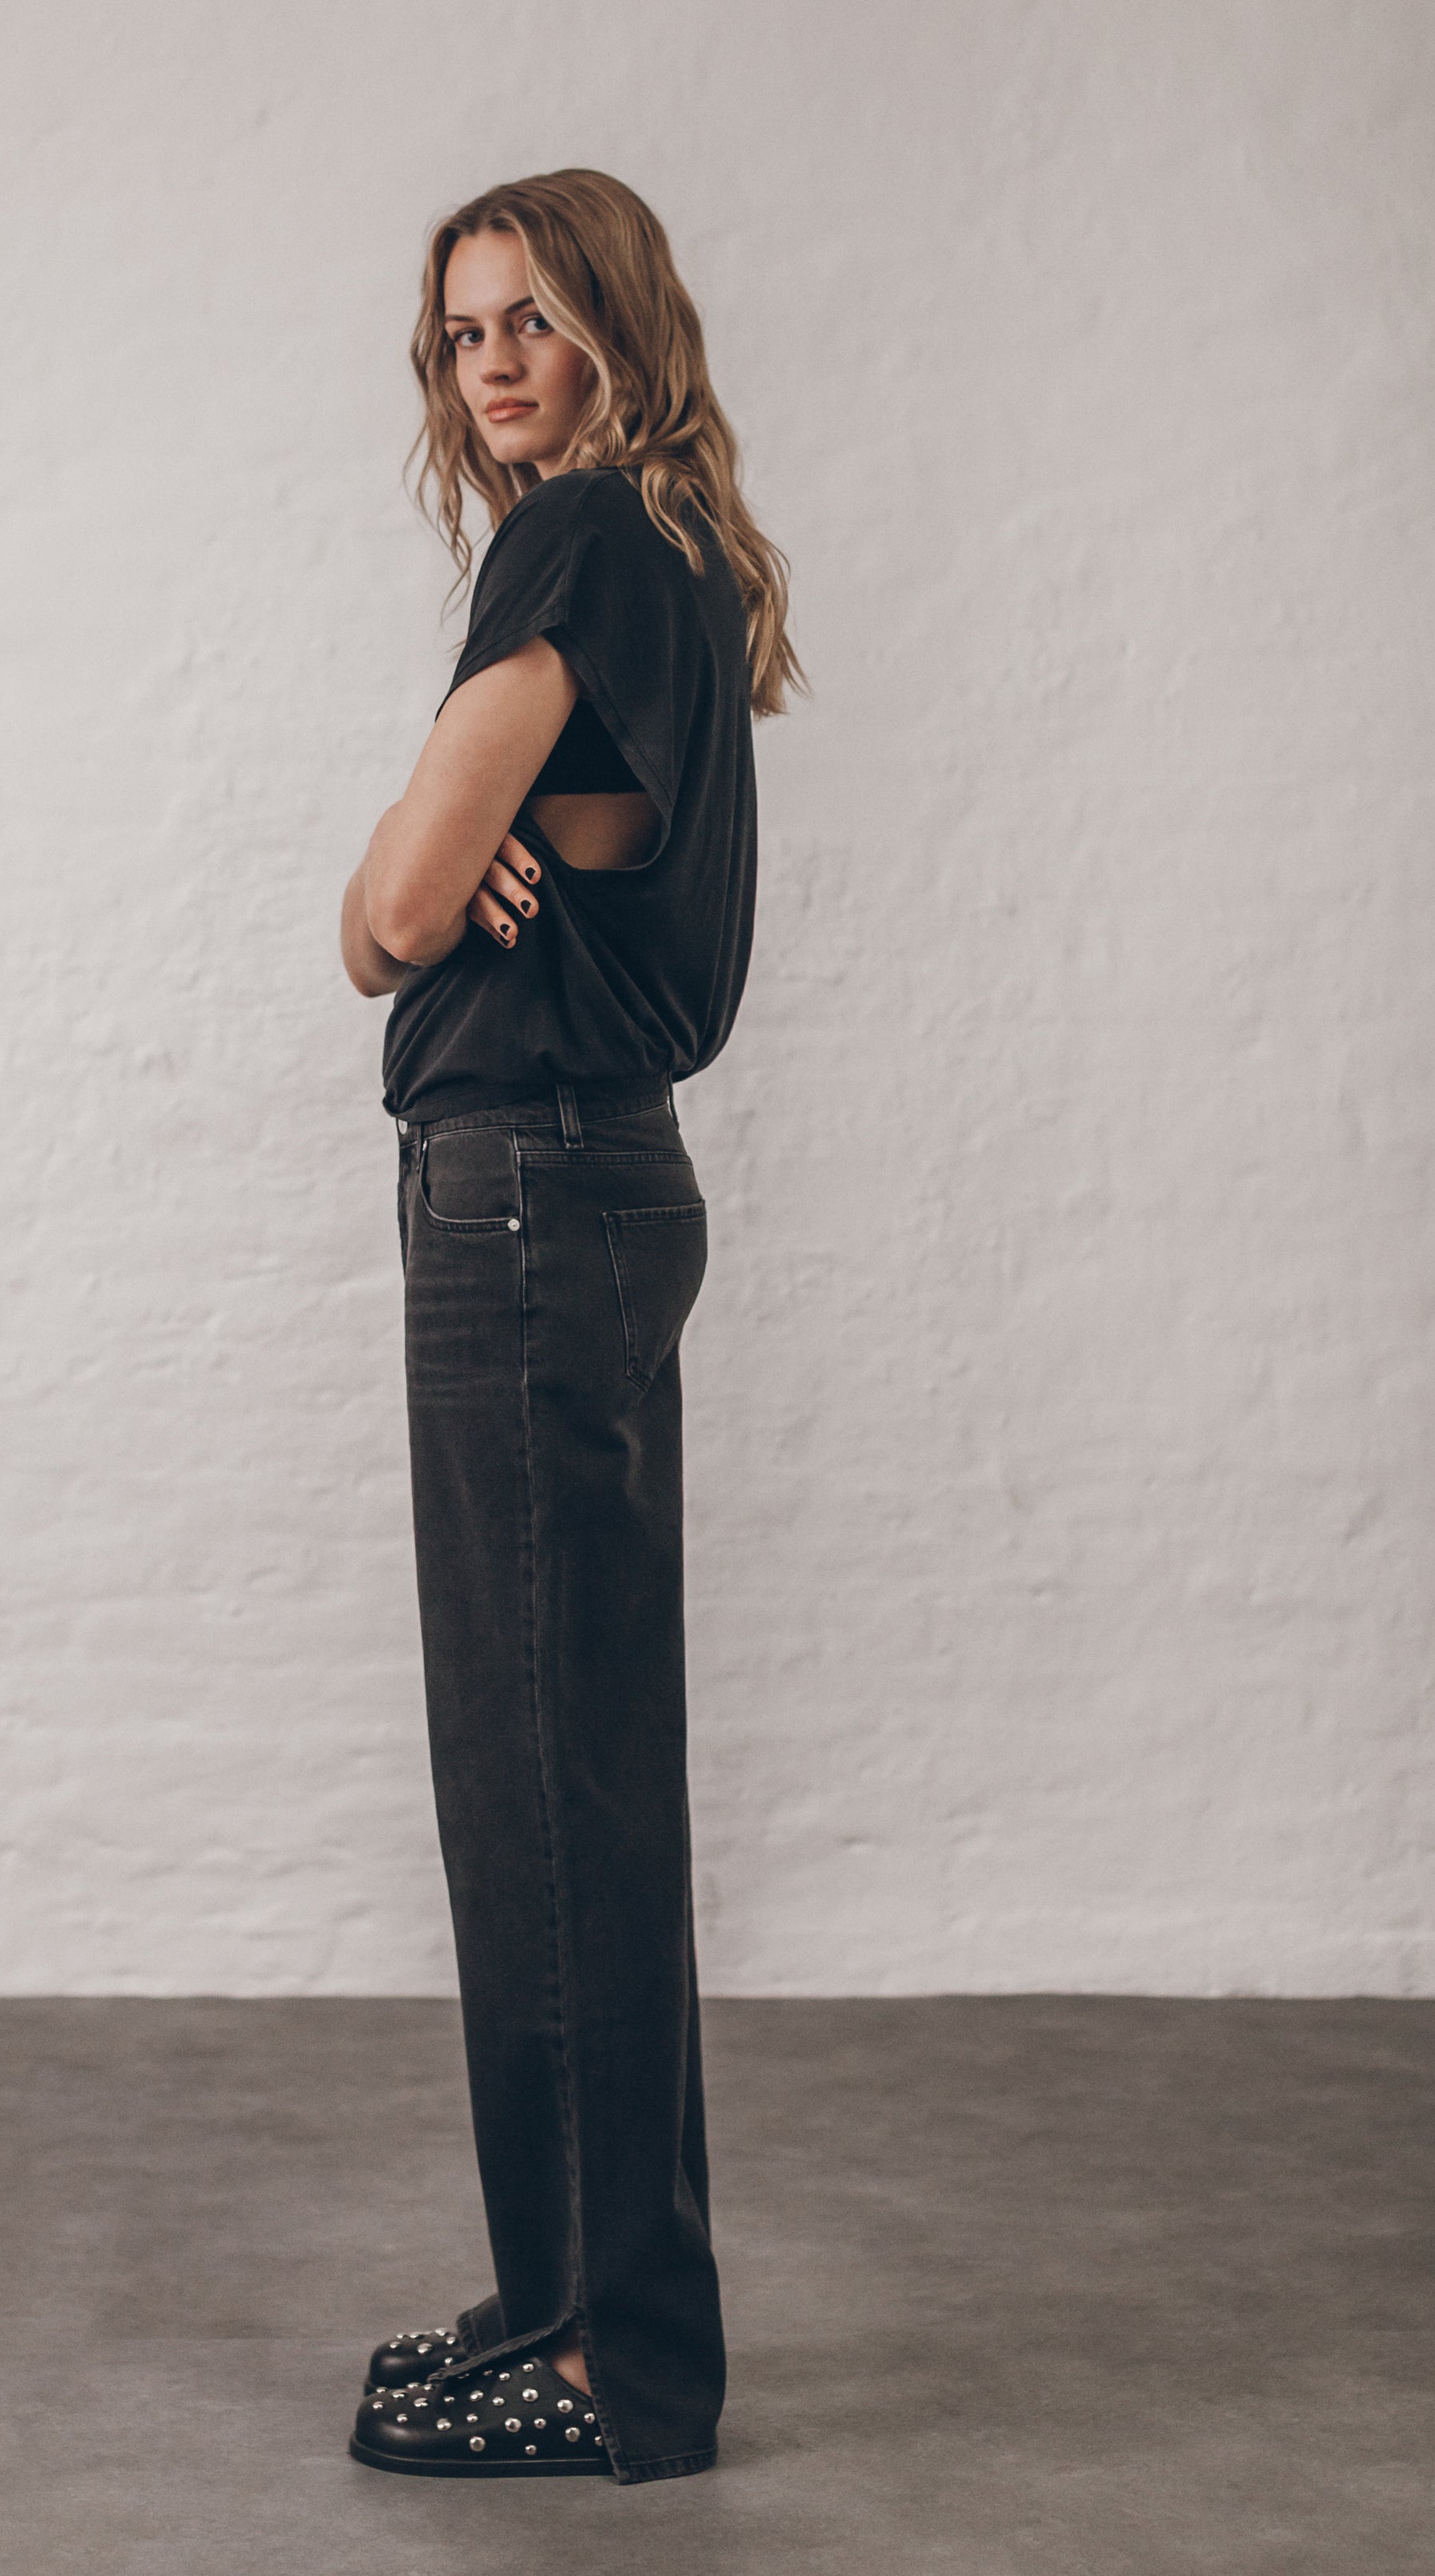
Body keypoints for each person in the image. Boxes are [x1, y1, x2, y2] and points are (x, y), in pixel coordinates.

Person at [336, 167, 798, 2487]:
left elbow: (391, 911)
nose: (493, 365)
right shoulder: (668, 556)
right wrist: (461, 860)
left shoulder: (580, 540)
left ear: (619, 321)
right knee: (560, 1781)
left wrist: (418, 862)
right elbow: (448, 895)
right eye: (460, 337)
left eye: (531, 318)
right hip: (582, 1183)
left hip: (526, 1192)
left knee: (546, 1794)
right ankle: (574, 2310)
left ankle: (617, 2366)